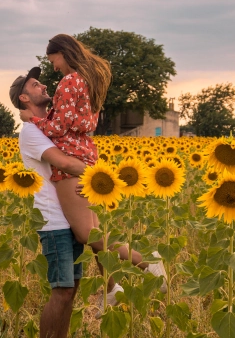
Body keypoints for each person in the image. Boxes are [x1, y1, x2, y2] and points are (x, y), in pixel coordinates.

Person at [19, 35, 167, 310]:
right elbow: (83, 122)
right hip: (86, 149)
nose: (53, 68)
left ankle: (148, 262)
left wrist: (33, 119)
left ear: (63, 53)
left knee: (86, 234)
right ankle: (111, 289)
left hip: (72, 158)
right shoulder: (88, 79)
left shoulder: (69, 81)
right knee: (91, 231)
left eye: (53, 61)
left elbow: (59, 128)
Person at [10, 67, 86, 338]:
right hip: (52, 219)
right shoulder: (30, 132)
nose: (44, 84)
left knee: (73, 289)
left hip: (70, 215)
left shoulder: (49, 126)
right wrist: (100, 175)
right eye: (35, 83)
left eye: (41, 80)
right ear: (24, 98)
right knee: (62, 289)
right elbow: (65, 162)